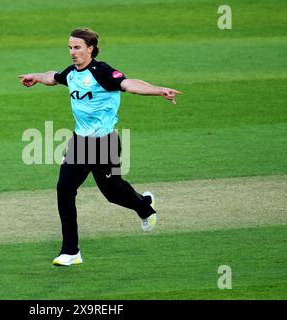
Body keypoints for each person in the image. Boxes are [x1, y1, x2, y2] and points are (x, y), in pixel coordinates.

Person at [19, 28, 181, 266]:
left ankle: (144, 207)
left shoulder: (102, 72)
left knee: (113, 193)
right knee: (64, 188)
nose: (73, 52)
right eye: (70, 48)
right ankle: (71, 251)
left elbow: (129, 84)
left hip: (105, 144)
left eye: (77, 47)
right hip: (80, 143)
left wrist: (159, 90)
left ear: (90, 48)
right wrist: (34, 76)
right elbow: (52, 76)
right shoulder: (72, 73)